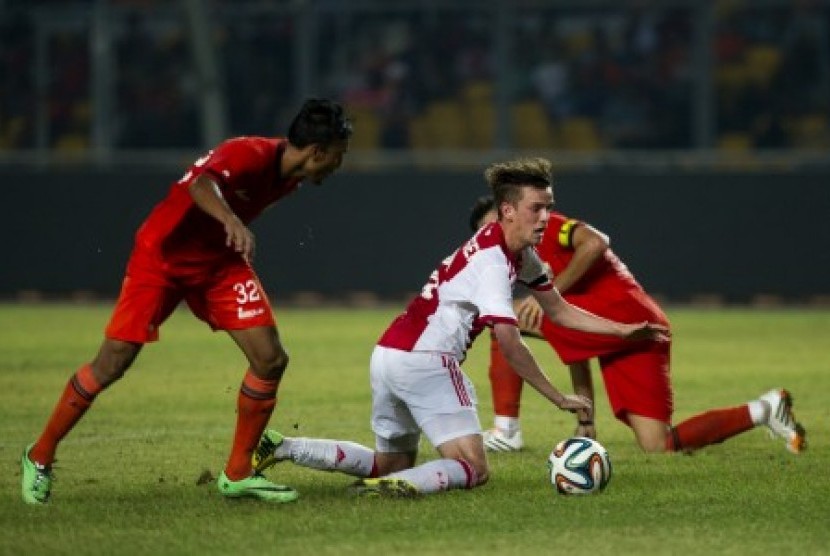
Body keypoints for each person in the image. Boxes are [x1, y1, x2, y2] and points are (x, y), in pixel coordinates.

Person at [250, 157, 669, 498]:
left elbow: (557, 310)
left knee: (389, 459)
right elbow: (509, 341)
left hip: (389, 355)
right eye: (536, 208)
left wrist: (621, 332)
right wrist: (556, 396)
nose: (546, 217)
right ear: (507, 210)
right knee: (473, 467)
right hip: (427, 360)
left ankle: (284, 447)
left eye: (549, 206)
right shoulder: (491, 263)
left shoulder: (518, 255)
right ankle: (393, 490)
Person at [20, 98, 353, 505]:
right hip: (162, 258)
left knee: (270, 358)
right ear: (318, 151)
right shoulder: (249, 153)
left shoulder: (291, 179)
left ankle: (237, 473)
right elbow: (201, 184)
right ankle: (39, 455)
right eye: (338, 155)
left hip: (217, 264)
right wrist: (231, 220)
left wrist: (229, 233)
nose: (339, 164)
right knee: (112, 363)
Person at [469, 196, 807, 455]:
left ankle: (506, 430)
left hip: (629, 317)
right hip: (631, 332)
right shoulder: (520, 261)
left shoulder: (547, 227)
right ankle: (764, 409)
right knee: (658, 444)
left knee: (504, 320)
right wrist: (586, 423)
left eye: (498, 224)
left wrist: (552, 293)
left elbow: (597, 241)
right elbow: (574, 343)